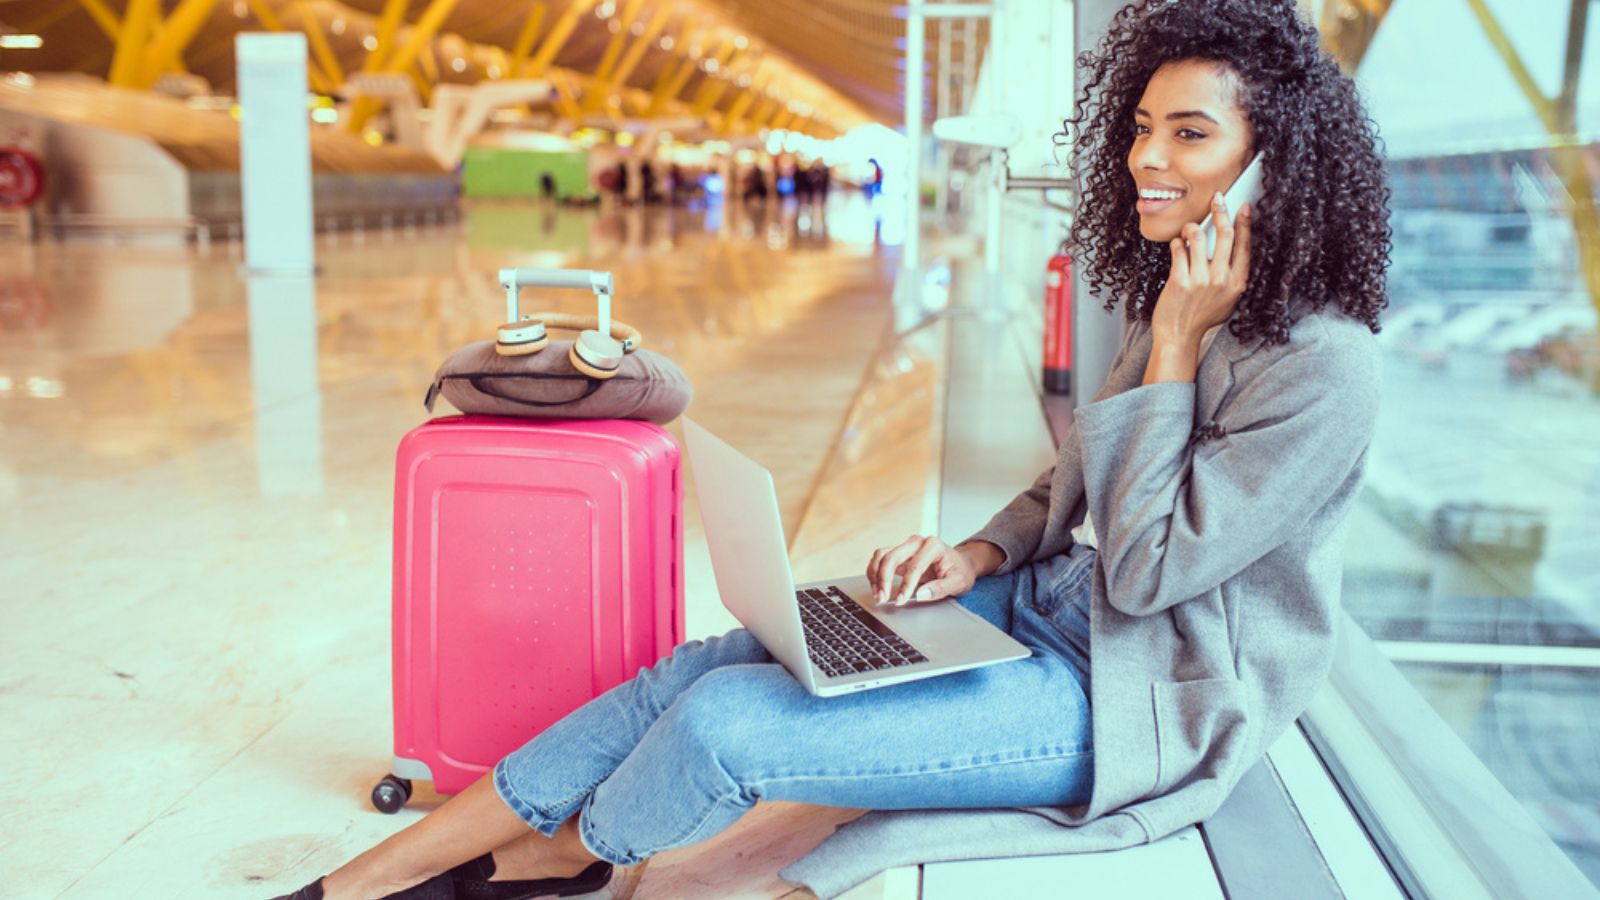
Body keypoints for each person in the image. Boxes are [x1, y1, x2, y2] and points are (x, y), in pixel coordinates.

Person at [272, 1, 1390, 897]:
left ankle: (558, 861)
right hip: (1050, 611)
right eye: (1141, 126)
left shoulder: (1321, 366)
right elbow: (1077, 480)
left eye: (1189, 134)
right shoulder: (1188, 301)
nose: (1148, 155)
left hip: (1142, 700)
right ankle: (368, 880)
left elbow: (1149, 570)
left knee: (721, 727)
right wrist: (980, 557)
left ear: (1272, 163)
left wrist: (1178, 355)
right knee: (715, 659)